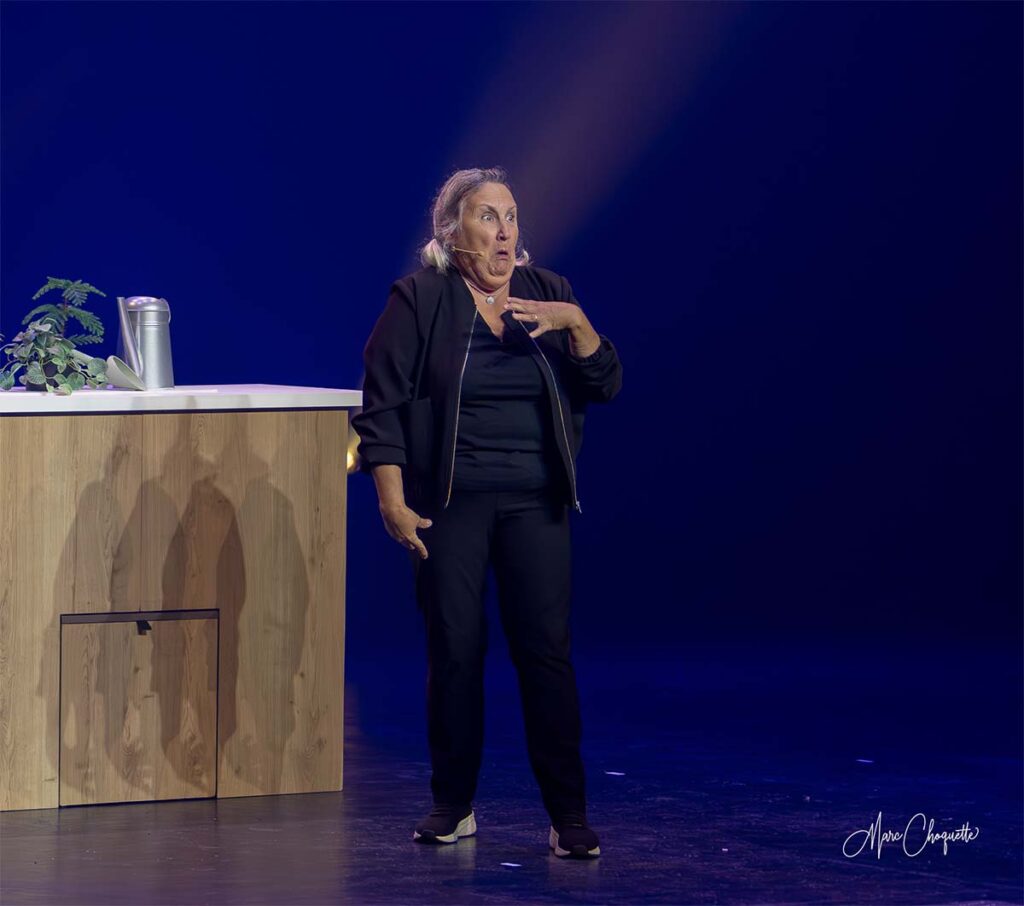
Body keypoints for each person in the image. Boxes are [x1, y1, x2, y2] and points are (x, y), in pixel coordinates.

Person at [351, 166, 622, 858]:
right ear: (452, 232)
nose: (505, 231)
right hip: (451, 504)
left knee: (546, 657)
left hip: (536, 501)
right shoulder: (421, 300)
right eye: (487, 217)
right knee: (456, 652)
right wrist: (391, 500)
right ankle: (454, 804)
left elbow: (607, 382)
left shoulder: (550, 295)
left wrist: (578, 324)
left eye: (510, 216)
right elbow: (380, 407)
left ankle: (568, 817)